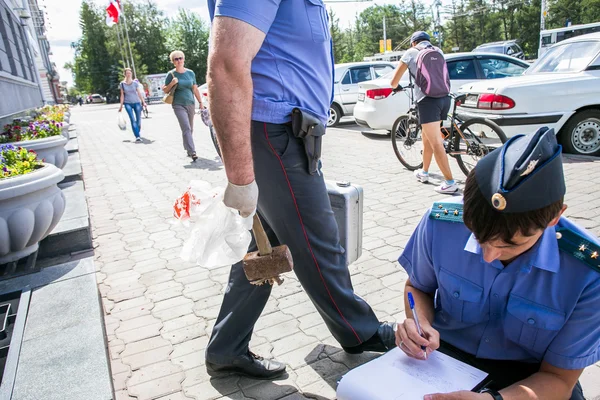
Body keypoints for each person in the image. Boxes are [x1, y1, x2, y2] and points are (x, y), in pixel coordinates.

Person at [204, 0, 396, 379]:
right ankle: (360, 333)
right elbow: (225, 65)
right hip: (272, 132)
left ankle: (226, 347)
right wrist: (241, 178)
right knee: (317, 240)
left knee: (263, 246)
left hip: (282, 133)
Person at [395, 127, 600, 400]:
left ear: (554, 218)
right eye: (478, 238)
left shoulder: (588, 274)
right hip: (442, 357)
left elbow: (559, 378)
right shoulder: (440, 223)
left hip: (530, 377)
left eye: (509, 245)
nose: (488, 256)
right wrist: (418, 323)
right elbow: (417, 287)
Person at [390, 31, 458, 194]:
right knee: (427, 137)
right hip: (444, 99)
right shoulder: (438, 51)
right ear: (427, 41)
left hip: (427, 102)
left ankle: (450, 182)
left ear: (413, 42)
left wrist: (396, 87)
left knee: (436, 142)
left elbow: (393, 82)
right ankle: (424, 172)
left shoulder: (411, 53)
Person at [162, 50, 205, 161]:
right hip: (178, 104)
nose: (179, 60)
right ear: (173, 62)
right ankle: (193, 151)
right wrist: (172, 83)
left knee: (190, 128)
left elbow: (194, 88)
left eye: (180, 58)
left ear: (184, 59)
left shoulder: (190, 73)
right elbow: (165, 90)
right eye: (176, 59)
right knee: (185, 127)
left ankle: (187, 147)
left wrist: (200, 102)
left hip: (190, 103)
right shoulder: (171, 74)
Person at [118, 68, 146, 142]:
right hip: (128, 103)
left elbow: (139, 93)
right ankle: (137, 136)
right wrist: (121, 106)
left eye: (130, 73)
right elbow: (122, 95)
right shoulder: (122, 84)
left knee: (138, 120)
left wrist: (143, 102)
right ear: (125, 74)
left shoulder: (135, 83)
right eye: (127, 73)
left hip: (137, 102)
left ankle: (137, 130)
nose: (129, 74)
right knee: (132, 119)